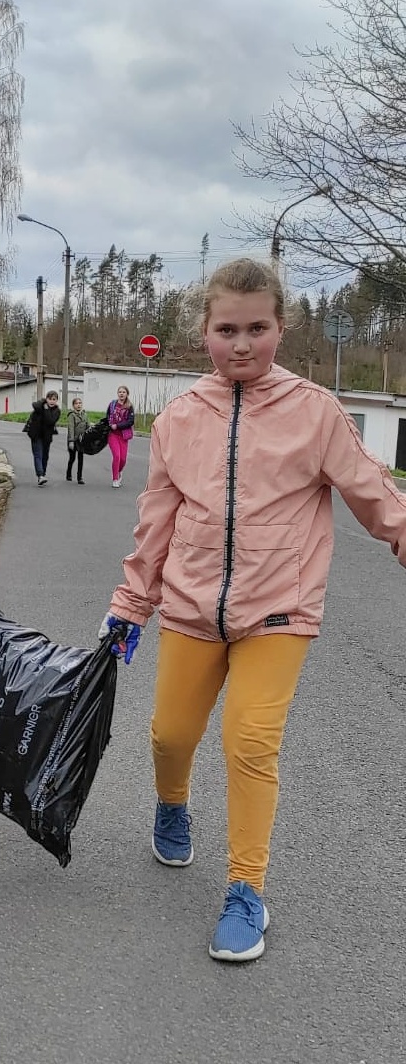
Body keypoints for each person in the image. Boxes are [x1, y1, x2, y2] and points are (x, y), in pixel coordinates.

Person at [98, 257, 406, 962]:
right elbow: (155, 522)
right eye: (227, 330)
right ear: (203, 332)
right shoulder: (178, 419)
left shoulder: (315, 412)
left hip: (279, 609)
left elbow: (372, 491)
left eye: (257, 329)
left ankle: (246, 889)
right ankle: (171, 804)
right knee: (170, 736)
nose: (242, 345)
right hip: (190, 607)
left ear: (280, 328)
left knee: (250, 742)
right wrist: (130, 605)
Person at [27, 390, 60, 485]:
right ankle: (40, 475)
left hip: (47, 437)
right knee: (38, 455)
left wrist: (46, 409)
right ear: (46, 399)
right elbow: (35, 405)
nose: (52, 401)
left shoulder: (57, 411)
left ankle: (43, 474)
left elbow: (50, 420)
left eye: (54, 399)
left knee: (45, 456)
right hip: (36, 435)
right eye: (50, 399)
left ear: (57, 400)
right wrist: (43, 402)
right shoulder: (40, 406)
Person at [107, 385, 134, 487]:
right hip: (112, 435)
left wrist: (117, 426)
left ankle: (119, 471)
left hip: (123, 436)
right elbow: (108, 416)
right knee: (117, 456)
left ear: (127, 394)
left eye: (123, 392)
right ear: (117, 393)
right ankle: (115, 479)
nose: (121, 394)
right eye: (120, 392)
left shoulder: (129, 406)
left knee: (123, 459)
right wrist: (110, 424)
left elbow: (130, 421)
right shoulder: (112, 404)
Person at [66, 396, 89, 484]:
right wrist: (71, 441)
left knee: (81, 459)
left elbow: (88, 427)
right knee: (72, 458)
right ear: (73, 405)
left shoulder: (85, 415)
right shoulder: (71, 415)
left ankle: (80, 477)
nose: (78, 405)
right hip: (73, 440)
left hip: (81, 441)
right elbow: (71, 428)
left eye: (80, 403)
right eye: (76, 403)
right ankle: (68, 474)